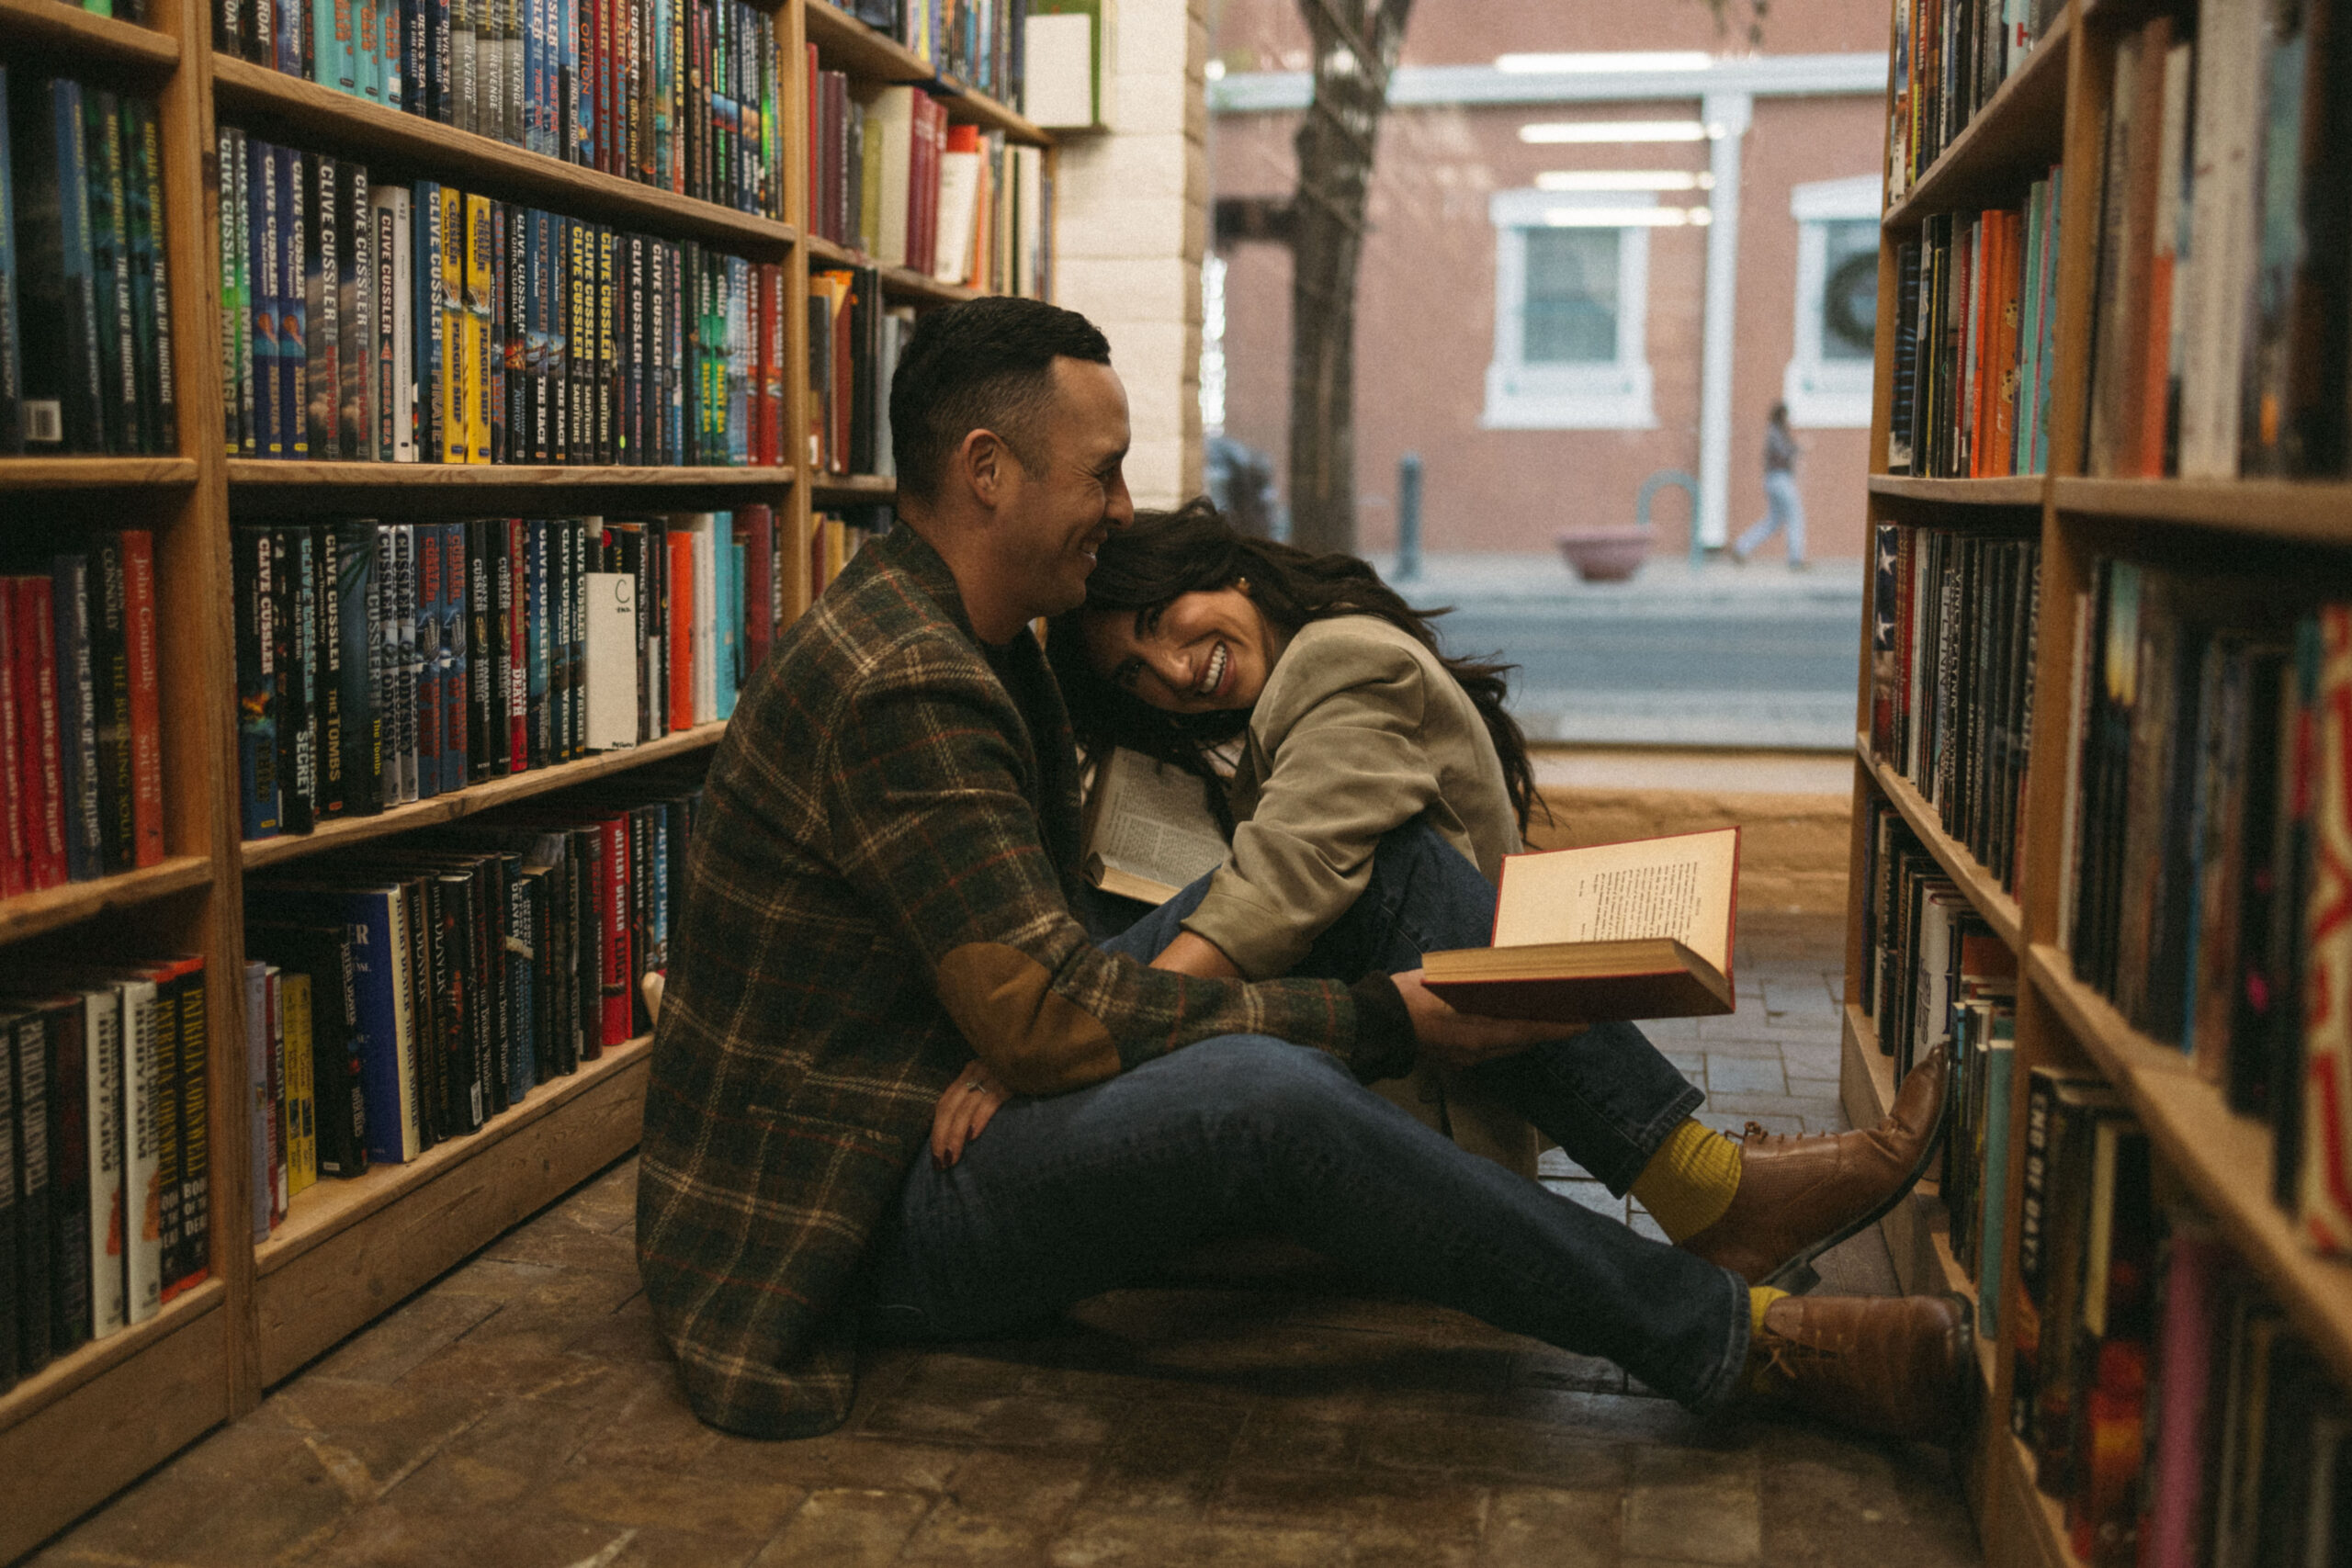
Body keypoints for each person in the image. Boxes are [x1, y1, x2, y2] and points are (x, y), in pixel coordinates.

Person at [635, 295, 1970, 1450]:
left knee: (1380, 871)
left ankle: (1703, 1188)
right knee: (1259, 1097)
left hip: (944, 1098)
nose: (1121, 506)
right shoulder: (908, 679)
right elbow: (1046, 1015)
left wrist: (1035, 1025)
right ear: (987, 469)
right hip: (859, 1213)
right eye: (1101, 472)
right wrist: (1377, 1018)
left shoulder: (985, 643)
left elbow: (1038, 990)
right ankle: (1745, 1340)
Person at [1731, 401, 1806, 568]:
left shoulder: (1773, 432)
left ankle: (1741, 547)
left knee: (1773, 521)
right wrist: (1798, 448)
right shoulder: (1776, 433)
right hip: (1780, 479)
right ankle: (1796, 558)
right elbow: (1784, 453)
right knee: (1795, 515)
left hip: (1772, 479)